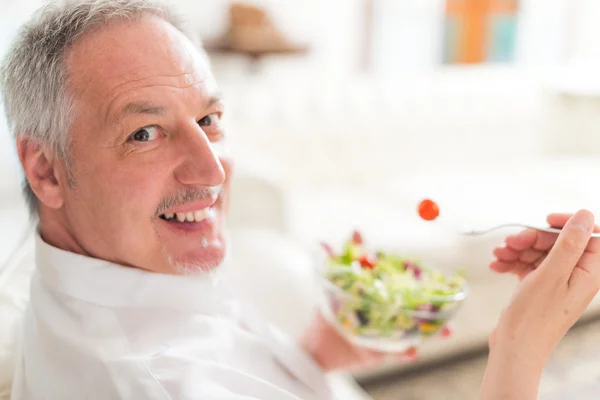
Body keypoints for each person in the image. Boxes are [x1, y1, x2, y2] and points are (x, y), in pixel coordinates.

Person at [1, 1, 599, 399]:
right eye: (144, 133)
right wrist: (518, 351)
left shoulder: (100, 268)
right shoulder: (152, 381)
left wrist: (310, 358)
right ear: (45, 170)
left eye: (209, 118)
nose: (213, 170)